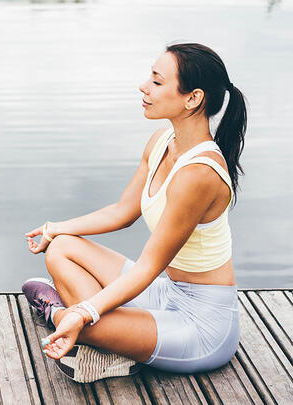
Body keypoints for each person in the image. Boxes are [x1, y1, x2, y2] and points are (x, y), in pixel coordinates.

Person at [23, 43, 246, 383]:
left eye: (157, 82)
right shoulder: (162, 141)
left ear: (193, 98)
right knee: (63, 248)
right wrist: (55, 229)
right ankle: (92, 330)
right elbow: (122, 211)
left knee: (83, 321)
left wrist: (84, 312)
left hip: (200, 327)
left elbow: (147, 266)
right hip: (165, 293)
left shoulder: (198, 174)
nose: (144, 87)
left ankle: (58, 313)